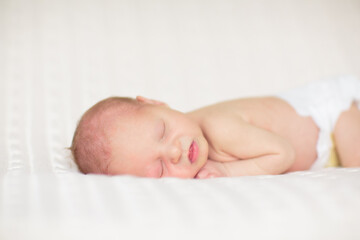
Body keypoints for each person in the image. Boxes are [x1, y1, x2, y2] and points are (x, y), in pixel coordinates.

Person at [70, 76, 360, 179]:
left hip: (336, 114)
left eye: (162, 132)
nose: (173, 151)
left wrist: (227, 171)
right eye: (159, 169)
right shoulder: (190, 143)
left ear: (157, 103)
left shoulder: (218, 129)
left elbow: (283, 153)